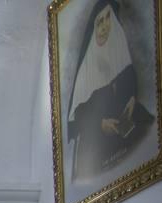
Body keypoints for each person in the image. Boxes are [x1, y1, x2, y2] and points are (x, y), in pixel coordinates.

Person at [66, 0, 155, 183]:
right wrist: (100, 124)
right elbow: (78, 114)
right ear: (94, 27)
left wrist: (131, 100)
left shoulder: (118, 48)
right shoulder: (86, 71)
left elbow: (130, 82)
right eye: (100, 22)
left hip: (125, 127)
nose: (105, 26)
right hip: (97, 143)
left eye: (108, 19)